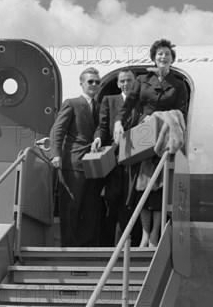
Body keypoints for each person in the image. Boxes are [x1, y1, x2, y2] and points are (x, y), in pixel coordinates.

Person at [113, 39, 188, 247]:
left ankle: (154, 235)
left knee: (159, 188)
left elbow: (182, 112)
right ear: (154, 58)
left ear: (172, 59)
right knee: (141, 187)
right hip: (143, 133)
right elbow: (128, 104)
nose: (163, 57)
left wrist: (159, 116)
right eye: (159, 54)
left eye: (167, 54)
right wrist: (118, 122)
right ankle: (145, 234)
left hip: (164, 135)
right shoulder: (143, 80)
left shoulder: (179, 84)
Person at [50, 67, 102, 247]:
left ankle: (86, 245)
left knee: (90, 208)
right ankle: (69, 245)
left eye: (97, 81)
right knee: (71, 207)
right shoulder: (71, 103)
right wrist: (55, 154)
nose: (94, 84)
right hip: (73, 162)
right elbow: (58, 129)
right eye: (90, 81)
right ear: (82, 84)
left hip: (94, 164)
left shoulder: (100, 107)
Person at [91, 69, 142, 246]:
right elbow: (103, 126)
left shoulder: (141, 101)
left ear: (135, 82)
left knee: (132, 200)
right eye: (122, 81)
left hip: (136, 157)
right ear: (118, 83)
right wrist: (98, 138)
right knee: (112, 198)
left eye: (129, 80)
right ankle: (108, 244)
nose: (126, 84)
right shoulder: (109, 100)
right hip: (114, 157)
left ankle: (132, 243)